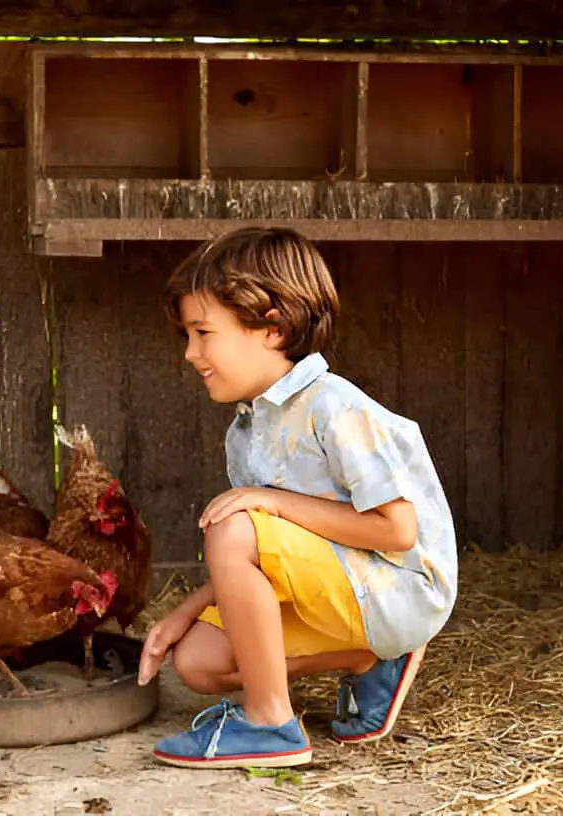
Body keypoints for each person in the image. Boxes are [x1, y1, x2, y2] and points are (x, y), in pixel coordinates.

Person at [136, 226, 457, 769]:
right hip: (342, 590)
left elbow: (397, 531)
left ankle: (270, 723)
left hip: (399, 588)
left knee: (234, 522)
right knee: (197, 663)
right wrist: (186, 610)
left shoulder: (334, 408)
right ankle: (369, 658)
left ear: (272, 328)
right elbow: (263, 553)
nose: (191, 353)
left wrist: (272, 502)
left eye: (203, 332)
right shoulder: (246, 431)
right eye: (187, 336)